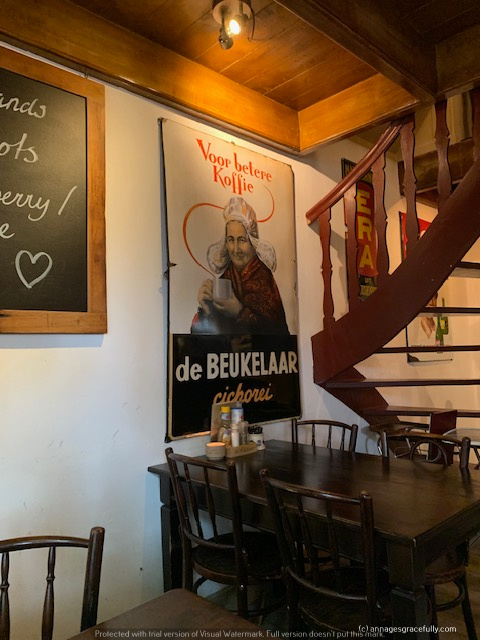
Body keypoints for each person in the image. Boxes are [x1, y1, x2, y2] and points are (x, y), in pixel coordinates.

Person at [191, 196, 289, 335]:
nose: (236, 249)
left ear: (252, 243)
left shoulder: (263, 279)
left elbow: (277, 335)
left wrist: (238, 311)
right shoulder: (226, 278)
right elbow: (211, 338)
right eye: (231, 240)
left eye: (242, 240)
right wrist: (207, 310)